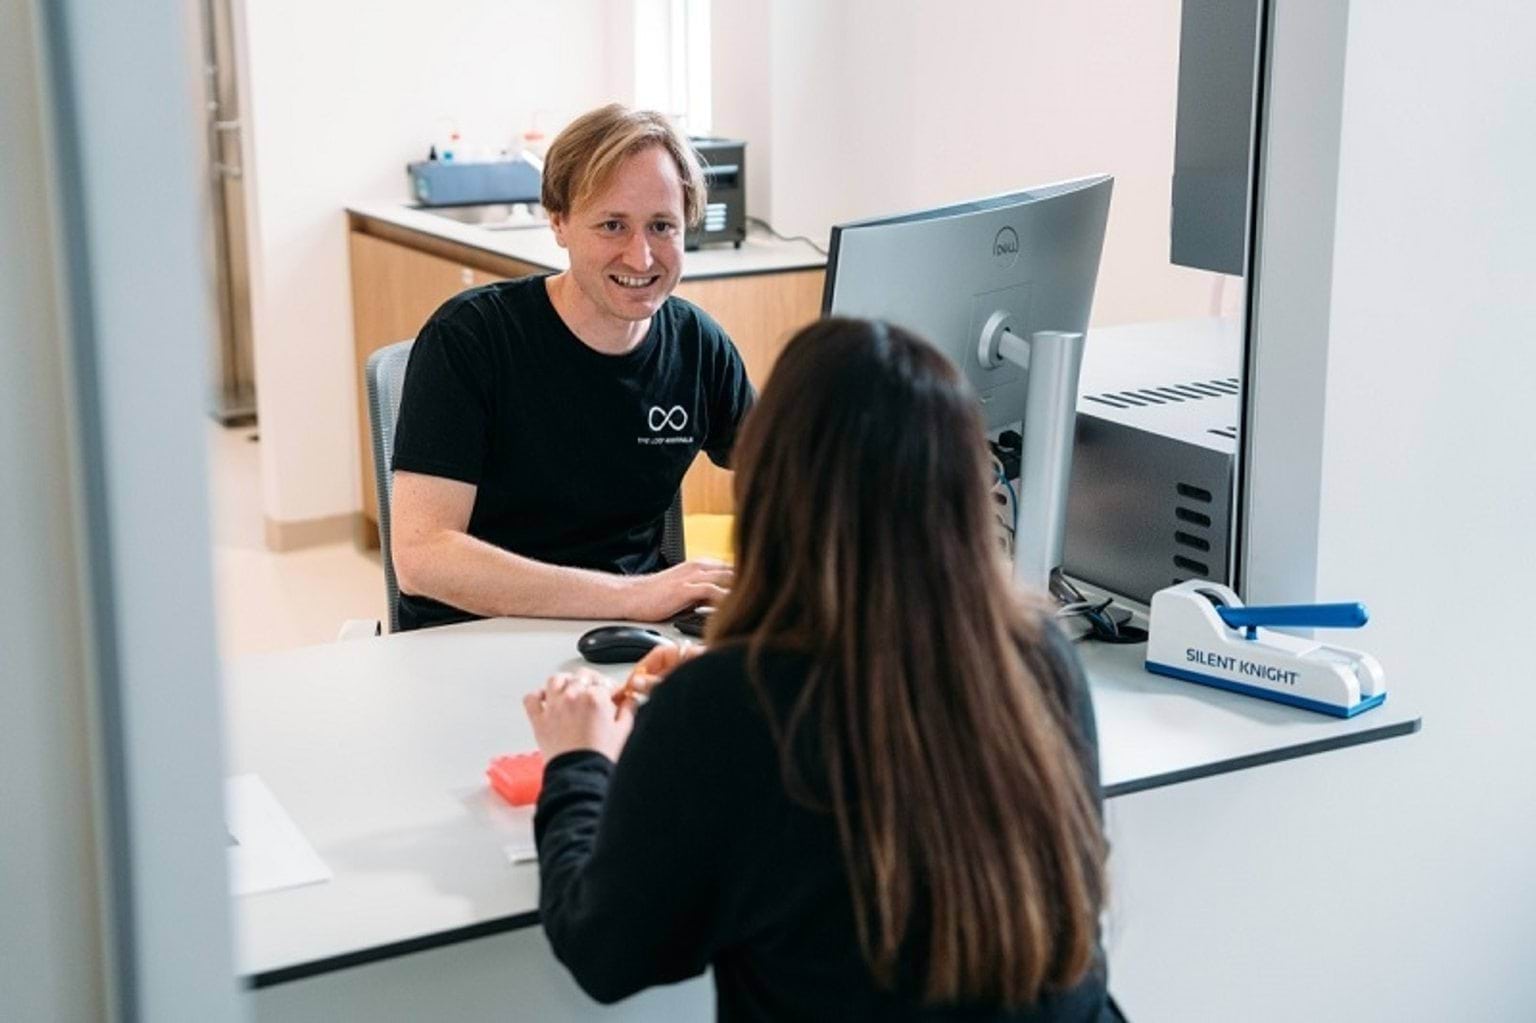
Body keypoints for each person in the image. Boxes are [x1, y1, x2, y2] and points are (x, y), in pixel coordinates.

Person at [524, 318, 1116, 1021]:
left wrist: (578, 762)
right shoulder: (1042, 658)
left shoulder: (727, 710)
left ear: (772, 487)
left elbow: (607, 948)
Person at [388, 104, 752, 631]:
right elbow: (423, 559)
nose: (642, 257)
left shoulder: (697, 345)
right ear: (558, 222)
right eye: (612, 225)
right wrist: (632, 596)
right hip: (477, 633)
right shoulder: (471, 338)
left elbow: (793, 470)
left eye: (662, 227)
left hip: (632, 636)